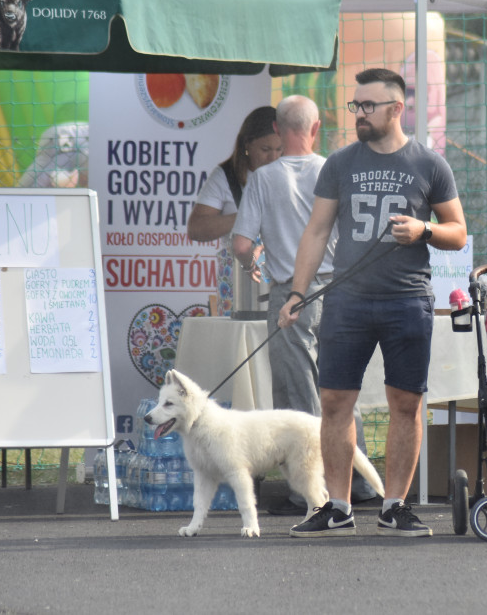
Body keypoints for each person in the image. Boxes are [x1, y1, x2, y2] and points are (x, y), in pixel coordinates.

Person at [278, 68, 467, 538]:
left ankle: (395, 505)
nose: (358, 113)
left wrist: (424, 230)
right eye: (355, 105)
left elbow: (458, 232)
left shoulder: (430, 164)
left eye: (368, 106)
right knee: (335, 400)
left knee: (405, 403)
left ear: (396, 109)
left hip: (408, 300)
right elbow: (317, 230)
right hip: (347, 300)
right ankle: (337, 506)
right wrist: (297, 293)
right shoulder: (340, 163)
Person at [230, 96, 376, 509]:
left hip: (289, 294)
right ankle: (357, 484)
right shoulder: (338, 169)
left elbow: (241, 243)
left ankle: (309, 488)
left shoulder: (262, 178)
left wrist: (250, 260)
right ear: (315, 130)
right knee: (341, 390)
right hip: (341, 288)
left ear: (277, 130)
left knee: (297, 395)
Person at [187, 106, 282, 317]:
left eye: (279, 149)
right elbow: (196, 228)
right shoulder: (226, 177)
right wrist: (246, 216)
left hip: (282, 282)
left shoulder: (290, 174)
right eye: (265, 150)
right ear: (247, 144)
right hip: (237, 287)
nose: (273, 157)